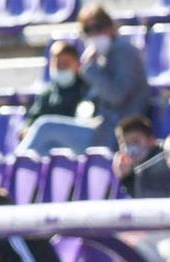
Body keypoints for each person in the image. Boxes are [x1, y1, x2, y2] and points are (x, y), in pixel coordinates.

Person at [16, 4, 149, 153]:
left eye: (98, 27)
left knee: (45, 126)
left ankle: (12, 171)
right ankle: (21, 173)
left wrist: (89, 68)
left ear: (111, 27)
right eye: (87, 30)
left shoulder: (123, 51)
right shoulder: (104, 55)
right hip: (101, 129)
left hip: (118, 135)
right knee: (48, 147)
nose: (93, 33)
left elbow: (117, 96)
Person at [22, 41, 88, 133]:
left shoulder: (88, 92)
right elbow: (30, 123)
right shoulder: (46, 95)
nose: (61, 68)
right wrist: (26, 131)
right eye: (58, 65)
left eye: (66, 64)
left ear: (77, 64)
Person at [113, 116, 170, 199]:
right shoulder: (132, 168)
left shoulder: (165, 162)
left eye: (136, 141)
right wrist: (124, 177)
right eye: (125, 143)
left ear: (152, 140)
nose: (131, 148)